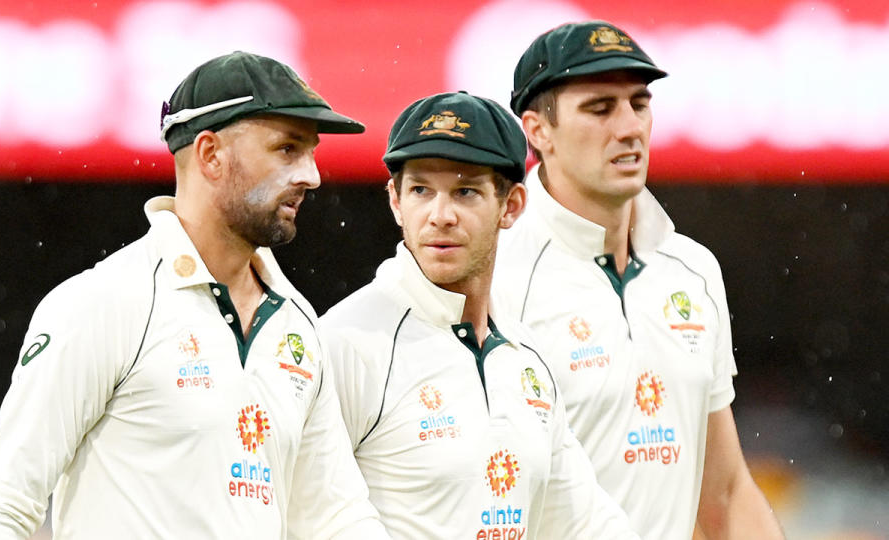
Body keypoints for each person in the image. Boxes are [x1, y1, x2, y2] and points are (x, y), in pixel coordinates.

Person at [0, 51, 389, 539]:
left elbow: (335, 518)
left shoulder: (299, 325)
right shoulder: (104, 303)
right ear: (210, 155)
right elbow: (4, 505)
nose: (311, 175)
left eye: (311, 152)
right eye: (287, 149)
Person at [494, 21, 786, 539]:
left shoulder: (693, 270)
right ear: (538, 131)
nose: (628, 127)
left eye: (639, 103)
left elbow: (722, 493)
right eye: (600, 109)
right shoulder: (495, 276)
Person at [320, 91, 637, 539]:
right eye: (421, 190)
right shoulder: (346, 342)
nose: (440, 215)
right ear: (395, 201)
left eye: (465, 191)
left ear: (511, 206)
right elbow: (305, 514)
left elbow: (583, 525)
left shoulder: (526, 356)